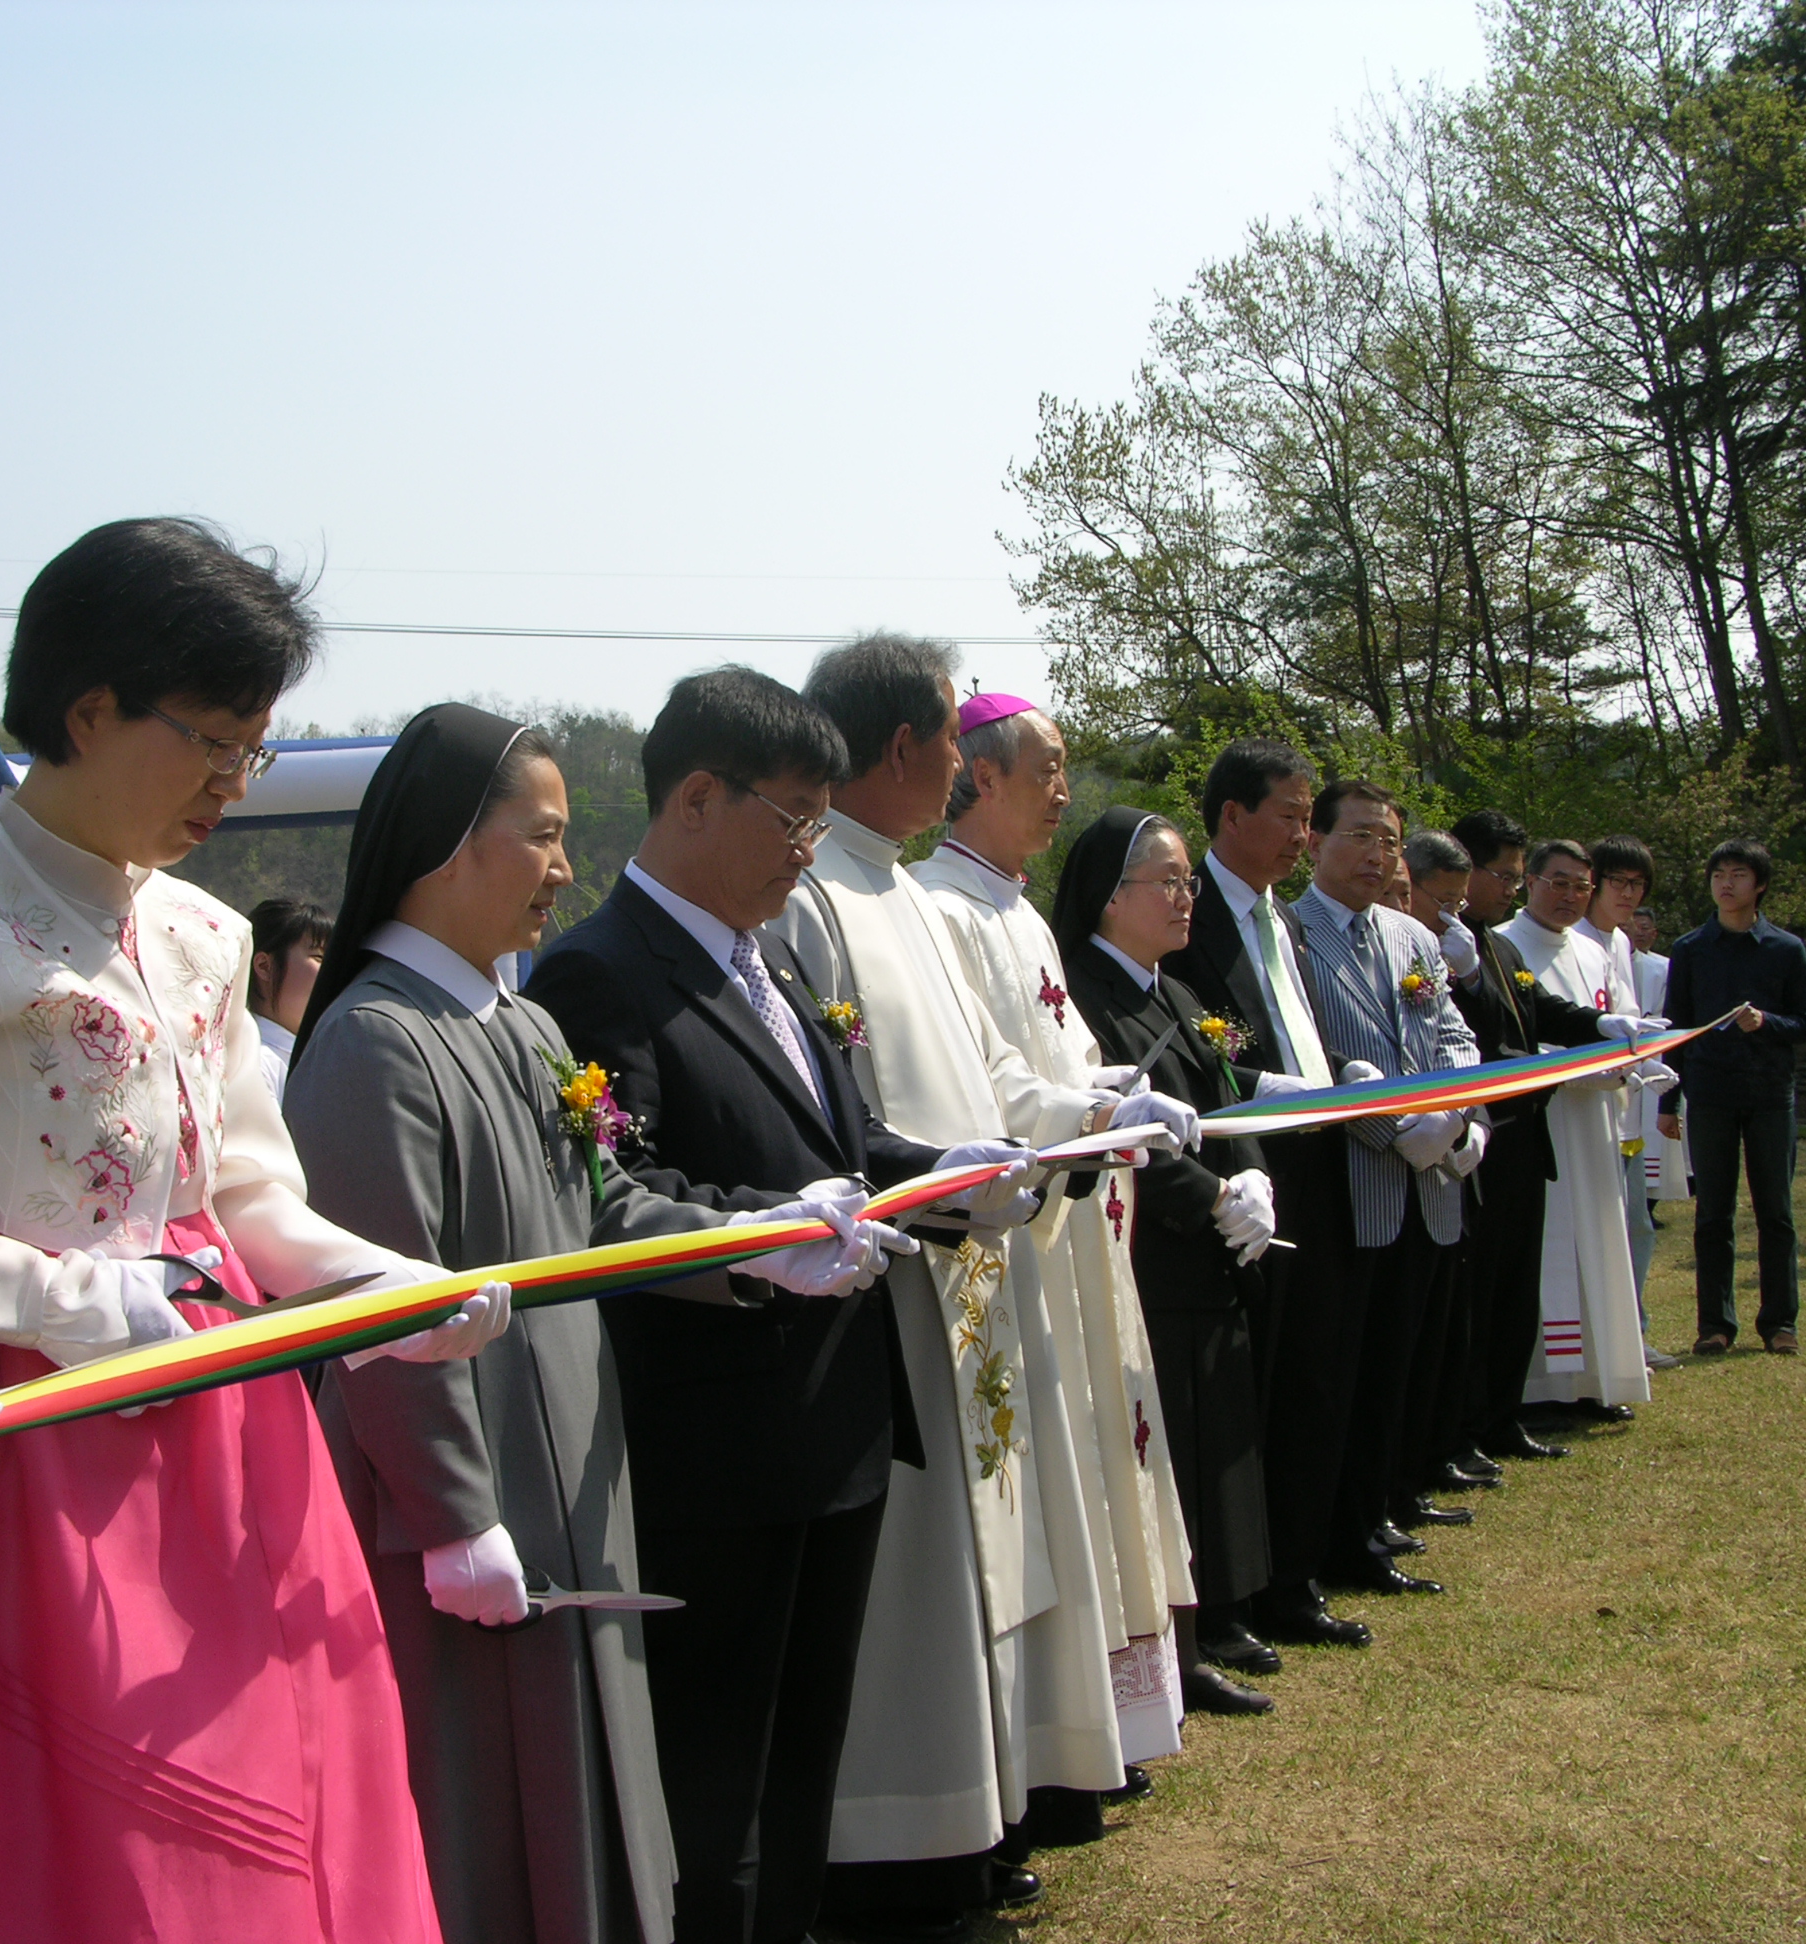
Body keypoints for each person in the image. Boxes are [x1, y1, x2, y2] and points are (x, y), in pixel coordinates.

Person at [0, 519, 513, 1943]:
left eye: (253, 748)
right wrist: (52, 1299)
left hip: (219, 1429)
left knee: (261, 1788)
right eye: (210, 741)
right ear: (86, 710)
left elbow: (240, 1190)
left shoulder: (204, 934)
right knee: (24, 1838)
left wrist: (370, 1283)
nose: (231, 784)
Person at [288, 704, 906, 1944]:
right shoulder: (374, 1044)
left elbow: (604, 1203)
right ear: (446, 841)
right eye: (543, 836)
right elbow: (374, 1312)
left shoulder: (519, 1025)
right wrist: (451, 1515)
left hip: (573, 1467)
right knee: (482, 1801)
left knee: (594, 1788)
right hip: (474, 1494)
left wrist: (761, 1241)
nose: (566, 870)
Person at [525, 667, 981, 1944]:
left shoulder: (769, 955)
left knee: (803, 1755)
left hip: (835, 1417)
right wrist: (770, 1229)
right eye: (791, 819)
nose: (807, 849)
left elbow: (844, 1144)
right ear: (695, 800)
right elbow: (618, 1189)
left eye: (819, 821)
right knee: (714, 1773)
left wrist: (953, 1179)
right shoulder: (599, 974)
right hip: (716, 1444)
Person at [779, 638, 1192, 1929]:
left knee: (991, 1563)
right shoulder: (819, 895)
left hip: (983, 1264)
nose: (962, 768)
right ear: (904, 746)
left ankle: (979, 1813)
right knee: (920, 1584)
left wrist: (1078, 1118)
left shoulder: (902, 890)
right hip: (901, 1284)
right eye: (952, 742)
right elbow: (839, 1111)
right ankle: (904, 1843)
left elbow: (992, 1077)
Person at [912, 693, 1191, 1772]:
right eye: (1049, 770)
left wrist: (1110, 1088)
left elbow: (1059, 1056)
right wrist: (1092, 1111)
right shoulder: (939, 907)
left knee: (1104, 1447)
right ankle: (1062, 1725)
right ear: (982, 776)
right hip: (1020, 1236)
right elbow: (986, 1085)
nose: (1065, 792)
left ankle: (1122, 1705)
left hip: (1087, 1223)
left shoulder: (1022, 913)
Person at [1058, 809, 1283, 1718]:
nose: (1187, 897)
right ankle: (1181, 1643)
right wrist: (1212, 1198)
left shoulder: (1180, 993)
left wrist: (1254, 1179)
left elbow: (1227, 1099)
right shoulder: (1082, 997)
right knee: (1168, 1453)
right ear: (1110, 896)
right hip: (1150, 1251)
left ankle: (1224, 1612)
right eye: (1168, 881)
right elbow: (1118, 1131)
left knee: (1215, 1438)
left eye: (1189, 880)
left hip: (1216, 1254)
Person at [1160, 739, 1373, 1652]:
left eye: (1307, 817)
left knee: (1313, 1377)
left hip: (1316, 1163)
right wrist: (1267, 1091)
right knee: (1247, 1393)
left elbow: (1292, 1028)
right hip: (1240, 1177)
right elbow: (1189, 1057)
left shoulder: (1280, 918)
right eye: (1288, 815)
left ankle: (1296, 1576)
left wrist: (1337, 1077)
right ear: (1231, 816)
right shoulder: (1187, 914)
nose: (1301, 834)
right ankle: (1232, 1599)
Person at [1288, 782, 1481, 1600]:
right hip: (1353, 1184)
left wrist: (1455, 1114)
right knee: (1344, 1376)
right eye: (1361, 836)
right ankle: (1335, 1537)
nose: (1378, 855)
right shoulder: (1293, 933)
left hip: (1430, 1185)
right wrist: (1394, 1132)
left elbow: (1455, 1035)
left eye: (1391, 842)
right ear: (1315, 841)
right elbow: (1314, 1060)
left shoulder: (1413, 936)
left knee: (1400, 1368)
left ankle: (1378, 1518)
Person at [1443, 811, 1617, 1471]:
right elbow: (1482, 1035)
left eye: (1518, 878)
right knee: (1478, 1294)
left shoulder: (1500, 947)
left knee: (1516, 1292)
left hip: (1525, 1141)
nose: (1511, 890)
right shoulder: (1442, 945)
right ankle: (1462, 1426)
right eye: (1504, 876)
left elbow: (1540, 1011)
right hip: (1478, 1141)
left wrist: (1605, 1027)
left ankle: (1502, 1415)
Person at [1497, 840, 1652, 1410]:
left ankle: (1596, 1379)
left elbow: (1616, 1019)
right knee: (1552, 1246)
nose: (1570, 896)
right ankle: (1543, 1388)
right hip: (1546, 1118)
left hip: (1597, 1121)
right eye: (1557, 883)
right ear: (1530, 882)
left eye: (1581, 886)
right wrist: (1575, 1069)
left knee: (1601, 1238)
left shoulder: (1594, 949)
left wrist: (1632, 1058)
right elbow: (1511, 1038)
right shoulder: (1506, 945)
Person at [1658, 838, 1806, 1354]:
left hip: (1770, 1093)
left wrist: (1767, 1022)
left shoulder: (1785, 949)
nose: (1726, 884)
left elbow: (1805, 1024)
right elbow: (1676, 1028)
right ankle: (1715, 1325)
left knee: (1776, 1212)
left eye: (1738, 875)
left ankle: (1780, 1322)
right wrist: (1667, 1103)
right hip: (1709, 1093)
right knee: (1712, 1214)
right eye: (1718, 875)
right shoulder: (1690, 949)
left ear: (1760, 884)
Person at [1581, 835, 1680, 1369]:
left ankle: (1632, 1331)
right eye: (1618, 881)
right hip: (1585, 1107)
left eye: (1638, 884)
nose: (1628, 894)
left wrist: (1647, 1061)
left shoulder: (1621, 943)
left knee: (1637, 1225)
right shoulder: (1572, 937)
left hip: (1627, 1109)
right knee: (1597, 1226)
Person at [1628, 905, 1689, 1206]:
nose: (1637, 932)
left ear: (1654, 933)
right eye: (1633, 926)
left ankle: (1649, 1204)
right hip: (1622, 1047)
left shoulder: (1664, 966)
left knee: (1653, 1122)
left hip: (1655, 1046)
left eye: (1644, 927)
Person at [246, 893, 329, 1099]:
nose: (333, 972)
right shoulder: (254, 1063)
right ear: (264, 966)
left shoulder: (320, 1059)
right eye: (319, 957)